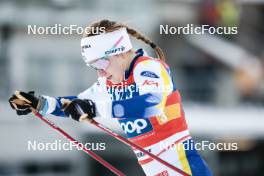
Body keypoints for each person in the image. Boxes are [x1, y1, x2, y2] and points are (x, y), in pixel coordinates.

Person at [9, 19, 212, 176]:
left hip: (183, 166)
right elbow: (76, 104)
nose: (100, 73)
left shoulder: (147, 67)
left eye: (101, 64)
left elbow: (152, 104)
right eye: (94, 67)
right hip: (154, 169)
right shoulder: (111, 82)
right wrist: (39, 103)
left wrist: (95, 108)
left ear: (120, 52)